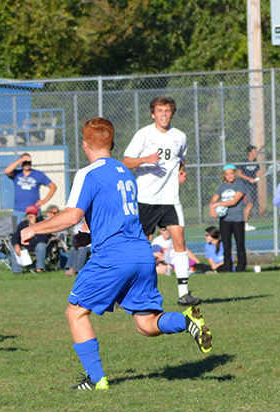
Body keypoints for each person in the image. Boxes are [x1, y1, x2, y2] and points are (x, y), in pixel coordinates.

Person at [21, 117, 212, 390]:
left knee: (75, 313)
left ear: (85, 145)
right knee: (146, 323)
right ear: (111, 143)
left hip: (112, 258)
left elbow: (72, 215)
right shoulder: (125, 172)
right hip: (142, 255)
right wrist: (89, 236)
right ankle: (186, 320)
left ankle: (96, 380)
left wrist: (35, 229)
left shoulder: (88, 173)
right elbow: (118, 217)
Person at [122, 96, 201, 306]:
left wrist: (181, 174)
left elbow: (181, 160)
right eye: (159, 110)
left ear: (172, 113)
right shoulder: (144, 134)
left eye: (167, 110)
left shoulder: (180, 137)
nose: (164, 114)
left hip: (170, 199)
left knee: (180, 240)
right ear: (153, 114)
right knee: (139, 245)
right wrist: (144, 159)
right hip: (146, 199)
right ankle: (125, 290)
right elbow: (126, 161)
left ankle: (184, 293)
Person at [209, 165, 247, 273]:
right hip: (225, 220)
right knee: (226, 246)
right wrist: (212, 208)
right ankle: (228, 269)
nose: (230, 176)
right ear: (224, 175)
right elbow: (213, 201)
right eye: (227, 174)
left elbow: (234, 201)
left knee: (240, 245)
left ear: (235, 173)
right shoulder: (222, 187)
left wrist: (217, 204)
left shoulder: (239, 185)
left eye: (231, 173)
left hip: (237, 220)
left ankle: (241, 268)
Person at [4, 153, 57, 222]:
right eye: (25, 162)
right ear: (21, 163)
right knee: (17, 230)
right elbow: (7, 171)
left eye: (28, 162)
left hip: (33, 210)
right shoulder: (17, 174)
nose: (27, 164)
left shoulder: (38, 174)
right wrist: (21, 159)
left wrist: (44, 201)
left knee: (35, 229)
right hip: (19, 209)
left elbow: (53, 187)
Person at [10, 204, 50, 274]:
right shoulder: (23, 224)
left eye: (32, 214)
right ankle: (16, 271)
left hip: (37, 247)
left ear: (37, 215)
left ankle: (39, 269)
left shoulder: (42, 224)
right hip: (24, 247)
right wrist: (16, 246)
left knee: (41, 245)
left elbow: (43, 238)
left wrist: (33, 227)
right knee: (12, 245)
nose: (30, 216)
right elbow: (15, 236)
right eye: (28, 214)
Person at [236, 145, 263, 231]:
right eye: (254, 151)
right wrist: (249, 179)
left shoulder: (255, 162)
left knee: (250, 205)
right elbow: (239, 173)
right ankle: (244, 224)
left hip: (252, 187)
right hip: (245, 186)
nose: (256, 153)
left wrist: (260, 175)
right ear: (249, 153)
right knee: (249, 204)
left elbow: (256, 173)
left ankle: (244, 223)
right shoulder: (244, 162)